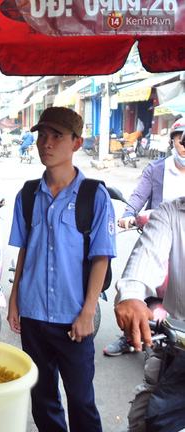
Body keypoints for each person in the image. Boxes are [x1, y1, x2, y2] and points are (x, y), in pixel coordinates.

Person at [8, 107, 116, 432]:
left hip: (73, 318)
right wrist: (14, 301)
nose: (47, 143)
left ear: (77, 143)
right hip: (34, 315)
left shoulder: (94, 196)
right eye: (42, 135)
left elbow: (102, 258)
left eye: (57, 136)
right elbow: (25, 252)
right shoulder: (27, 195)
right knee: (42, 398)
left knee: (81, 399)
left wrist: (88, 311)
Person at [103, 119, 185, 357]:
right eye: (180, 140)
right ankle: (129, 335)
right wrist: (129, 214)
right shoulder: (159, 173)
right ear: (173, 140)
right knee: (142, 287)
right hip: (159, 235)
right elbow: (139, 195)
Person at [114, 198, 185, 432]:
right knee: (142, 420)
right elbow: (145, 259)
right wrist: (132, 295)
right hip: (176, 349)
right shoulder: (172, 212)